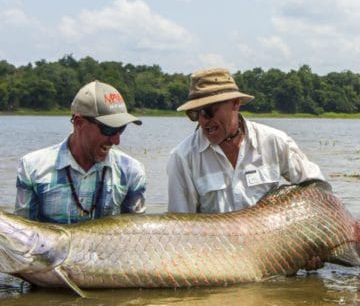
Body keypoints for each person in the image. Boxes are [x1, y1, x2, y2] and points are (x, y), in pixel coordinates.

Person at [167, 67, 325, 213]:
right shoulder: (182, 157)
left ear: (235, 104)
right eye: (195, 114)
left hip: (271, 240)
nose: (203, 121)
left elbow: (318, 188)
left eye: (208, 112)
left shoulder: (274, 141)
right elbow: (180, 224)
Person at [15, 80, 146, 224]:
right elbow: (23, 233)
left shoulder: (132, 171)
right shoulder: (32, 167)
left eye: (121, 129)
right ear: (78, 122)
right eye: (109, 129)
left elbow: (136, 233)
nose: (116, 140)